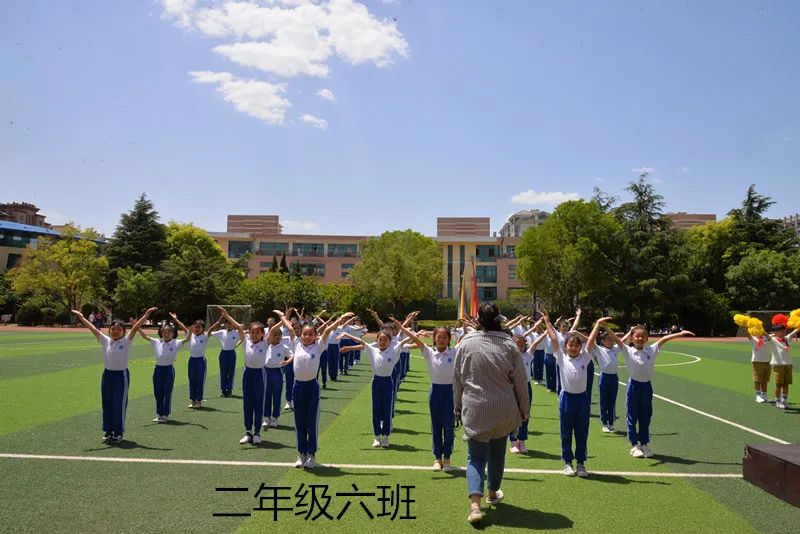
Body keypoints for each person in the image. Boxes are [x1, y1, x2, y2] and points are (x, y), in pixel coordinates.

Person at [454, 302, 530, 524]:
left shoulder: (466, 343)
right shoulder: (509, 345)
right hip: (504, 409)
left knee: (476, 457)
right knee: (497, 454)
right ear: (499, 320)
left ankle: (475, 506)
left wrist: (456, 407)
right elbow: (521, 382)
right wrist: (524, 410)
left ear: (478, 320)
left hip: (476, 409)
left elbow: (457, 379)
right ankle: (493, 493)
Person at [605, 324, 695, 458]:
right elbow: (617, 339)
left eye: (643, 336)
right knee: (632, 416)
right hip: (633, 387)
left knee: (645, 417)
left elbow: (664, 339)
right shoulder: (628, 351)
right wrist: (605, 327)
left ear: (647, 338)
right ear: (631, 338)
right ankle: (634, 445)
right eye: (637, 336)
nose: (640, 338)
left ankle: (644, 444)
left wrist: (680, 334)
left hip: (646, 387)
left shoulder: (651, 350)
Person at [71, 307, 156, 443]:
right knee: (107, 404)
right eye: (113, 329)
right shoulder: (105, 340)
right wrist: (81, 317)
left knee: (118, 404)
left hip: (121, 377)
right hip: (107, 376)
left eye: (119, 329)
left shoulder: (126, 341)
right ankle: (108, 430)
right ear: (109, 330)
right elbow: (93, 328)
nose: (115, 331)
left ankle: (118, 432)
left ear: (124, 331)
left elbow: (136, 327)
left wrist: (146, 314)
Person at [291, 313, 354, 468]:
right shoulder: (296, 343)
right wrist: (284, 317)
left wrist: (341, 319)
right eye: (305, 334)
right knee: (299, 422)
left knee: (311, 422)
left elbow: (327, 331)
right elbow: (290, 328)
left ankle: (311, 454)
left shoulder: (319, 346)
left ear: (315, 335)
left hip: (312, 387)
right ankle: (301, 454)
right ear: (300, 335)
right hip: (298, 387)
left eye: (310, 334)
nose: (307, 337)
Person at [338, 317, 407, 449]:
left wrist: (407, 329)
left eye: (385, 340)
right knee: (376, 409)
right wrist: (347, 335)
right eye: (380, 340)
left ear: (389, 341)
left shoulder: (394, 350)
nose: (382, 342)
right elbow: (361, 342)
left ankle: (385, 436)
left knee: (387, 409)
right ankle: (376, 436)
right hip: (376, 382)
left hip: (388, 382)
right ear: (377, 340)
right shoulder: (373, 349)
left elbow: (405, 340)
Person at [138, 313, 189, 423]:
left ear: (173, 333)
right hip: (158, 370)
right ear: (161, 333)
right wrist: (137, 326)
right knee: (158, 393)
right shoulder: (157, 342)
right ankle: (159, 414)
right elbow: (145, 336)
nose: (166, 334)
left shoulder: (176, 343)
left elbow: (188, 337)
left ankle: (165, 414)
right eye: (164, 332)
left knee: (167, 392)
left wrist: (177, 321)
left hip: (168, 370)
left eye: (168, 332)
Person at [261, 310, 294, 429]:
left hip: (277, 373)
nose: (278, 337)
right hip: (266, 372)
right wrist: (283, 317)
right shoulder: (267, 344)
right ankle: (266, 418)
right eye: (275, 335)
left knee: (276, 396)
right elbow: (272, 330)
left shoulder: (284, 347)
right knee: (266, 395)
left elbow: (293, 355)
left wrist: (287, 361)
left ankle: (275, 418)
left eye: (279, 335)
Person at [185, 317, 220, 409]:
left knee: (200, 381)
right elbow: (183, 327)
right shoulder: (191, 335)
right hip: (192, 361)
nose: (196, 329)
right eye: (195, 327)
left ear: (203, 329)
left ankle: (199, 401)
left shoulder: (205, 336)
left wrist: (218, 321)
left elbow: (211, 329)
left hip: (200, 361)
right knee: (192, 380)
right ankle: (193, 400)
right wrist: (176, 319)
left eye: (199, 327)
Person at [768, 314, 798, 410]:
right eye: (781, 331)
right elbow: (765, 335)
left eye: (784, 331)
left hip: (788, 364)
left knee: (786, 384)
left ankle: (784, 401)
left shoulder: (786, 338)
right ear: (775, 332)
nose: (783, 332)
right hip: (778, 365)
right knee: (778, 384)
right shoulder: (773, 340)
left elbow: (795, 330)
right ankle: (778, 401)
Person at [211, 314, 240, 397]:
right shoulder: (222, 332)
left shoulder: (237, 332)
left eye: (230, 323)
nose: (229, 325)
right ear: (225, 324)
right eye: (227, 324)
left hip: (231, 353)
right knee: (223, 372)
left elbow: (245, 335)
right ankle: (223, 390)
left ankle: (229, 390)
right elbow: (209, 333)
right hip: (223, 353)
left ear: (233, 324)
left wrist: (238, 343)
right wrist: (218, 322)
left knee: (231, 372)